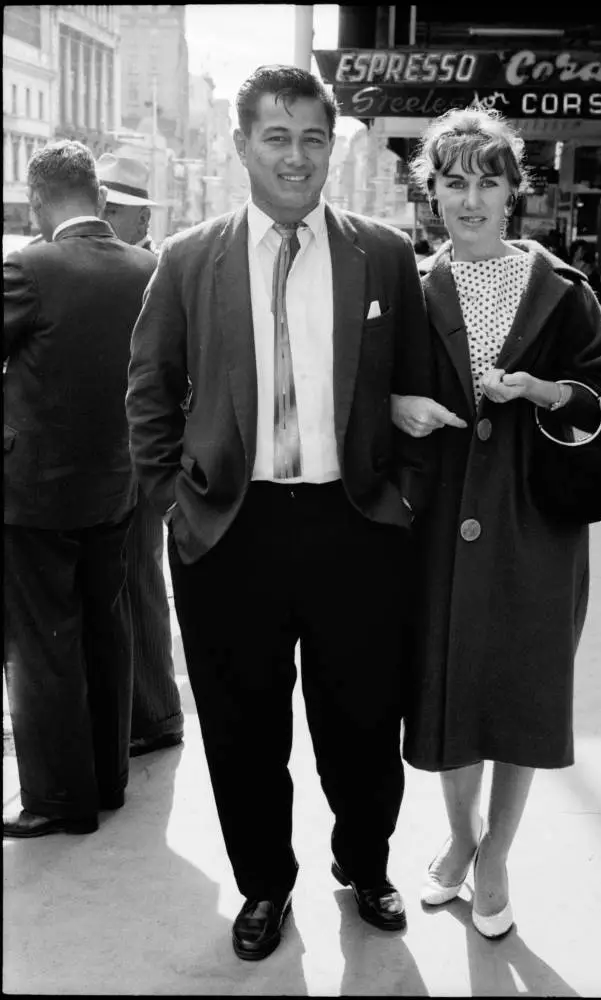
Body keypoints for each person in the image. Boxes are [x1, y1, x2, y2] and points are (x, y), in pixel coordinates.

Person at [125, 65, 434, 961]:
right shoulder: (188, 258)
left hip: (356, 526)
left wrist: (402, 497)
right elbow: (148, 390)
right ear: (241, 147)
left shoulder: (380, 252)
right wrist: (173, 507)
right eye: (275, 136)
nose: (294, 157)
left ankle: (365, 864)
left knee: (363, 719)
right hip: (230, 531)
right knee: (241, 727)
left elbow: (415, 380)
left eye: (310, 138)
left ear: (329, 145)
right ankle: (264, 885)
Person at [390, 106, 601, 939]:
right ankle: (460, 843)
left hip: (535, 524)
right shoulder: (409, 285)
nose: (470, 196)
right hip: (438, 521)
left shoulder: (563, 290)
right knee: (444, 691)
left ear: (512, 192)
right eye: (452, 180)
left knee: (522, 692)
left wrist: (544, 392)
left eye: (487, 180)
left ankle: (495, 859)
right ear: (430, 193)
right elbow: (372, 387)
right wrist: (398, 404)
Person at [3, 140, 157, 838]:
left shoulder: (30, 267)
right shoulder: (146, 269)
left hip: (35, 493)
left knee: (43, 644)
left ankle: (58, 800)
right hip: (116, 484)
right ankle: (108, 779)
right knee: (106, 626)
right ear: (97, 196)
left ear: (38, 200)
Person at [97, 152, 184, 758]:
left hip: (132, 455)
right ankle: (153, 712)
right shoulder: (150, 265)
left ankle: (150, 715)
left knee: (134, 582)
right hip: (143, 454)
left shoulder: (147, 268)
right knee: (140, 581)